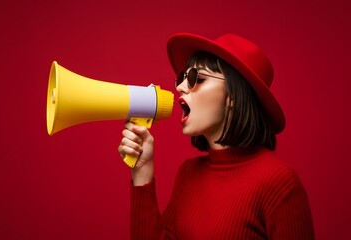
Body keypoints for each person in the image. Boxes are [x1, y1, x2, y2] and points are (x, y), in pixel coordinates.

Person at [118, 33, 315, 239]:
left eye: (197, 78)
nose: (179, 87)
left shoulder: (280, 184)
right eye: (182, 77)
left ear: (234, 97)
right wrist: (142, 171)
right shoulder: (189, 173)